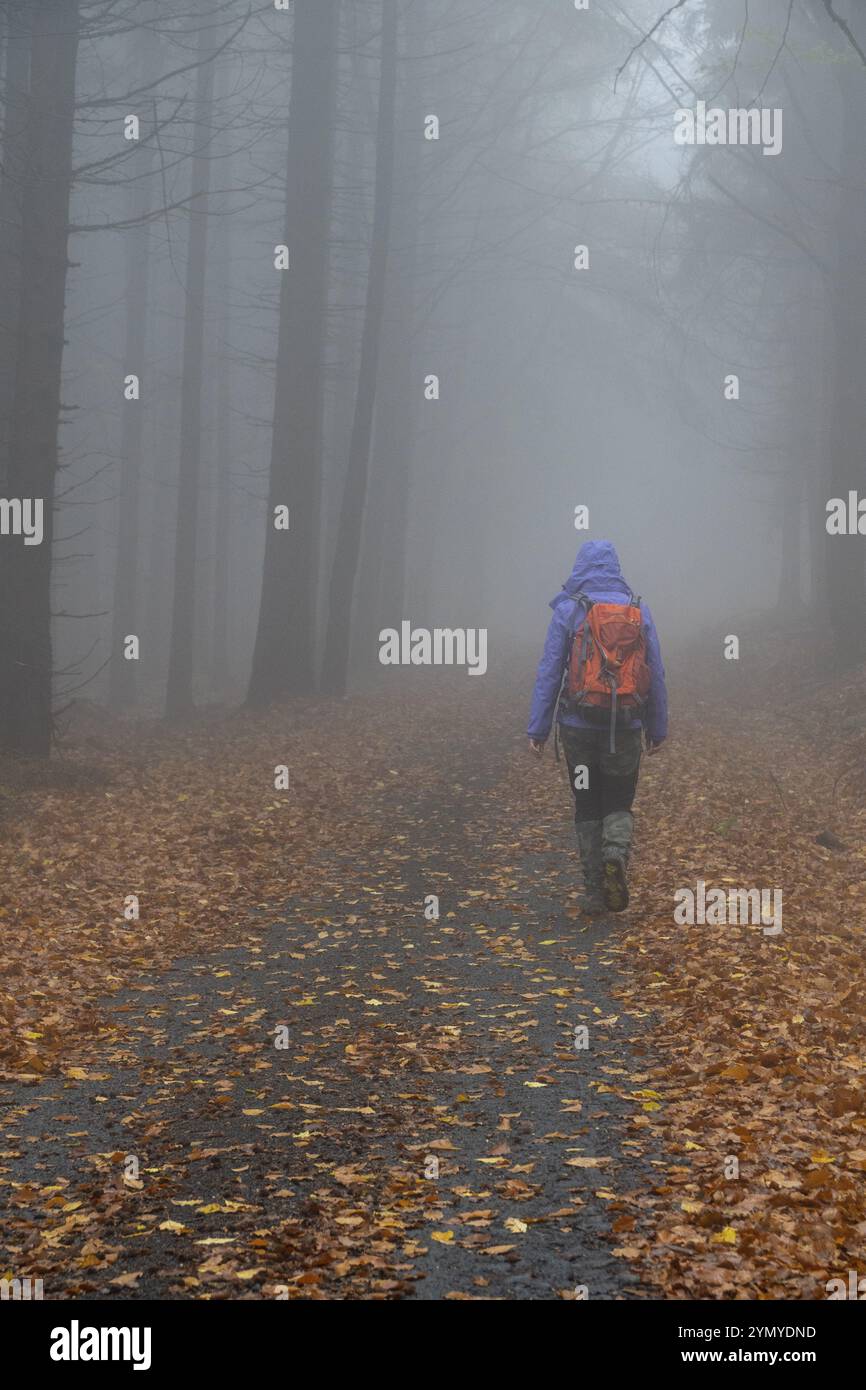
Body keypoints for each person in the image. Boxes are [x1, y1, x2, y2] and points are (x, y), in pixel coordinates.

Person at [527, 539, 668, 914]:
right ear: (615, 567)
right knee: (619, 801)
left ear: (580, 567)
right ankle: (614, 854)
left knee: (587, 802)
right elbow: (655, 672)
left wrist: (538, 729)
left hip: (578, 727)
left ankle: (593, 890)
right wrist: (657, 727)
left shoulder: (569, 611)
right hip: (624, 726)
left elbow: (549, 672)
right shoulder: (638, 610)